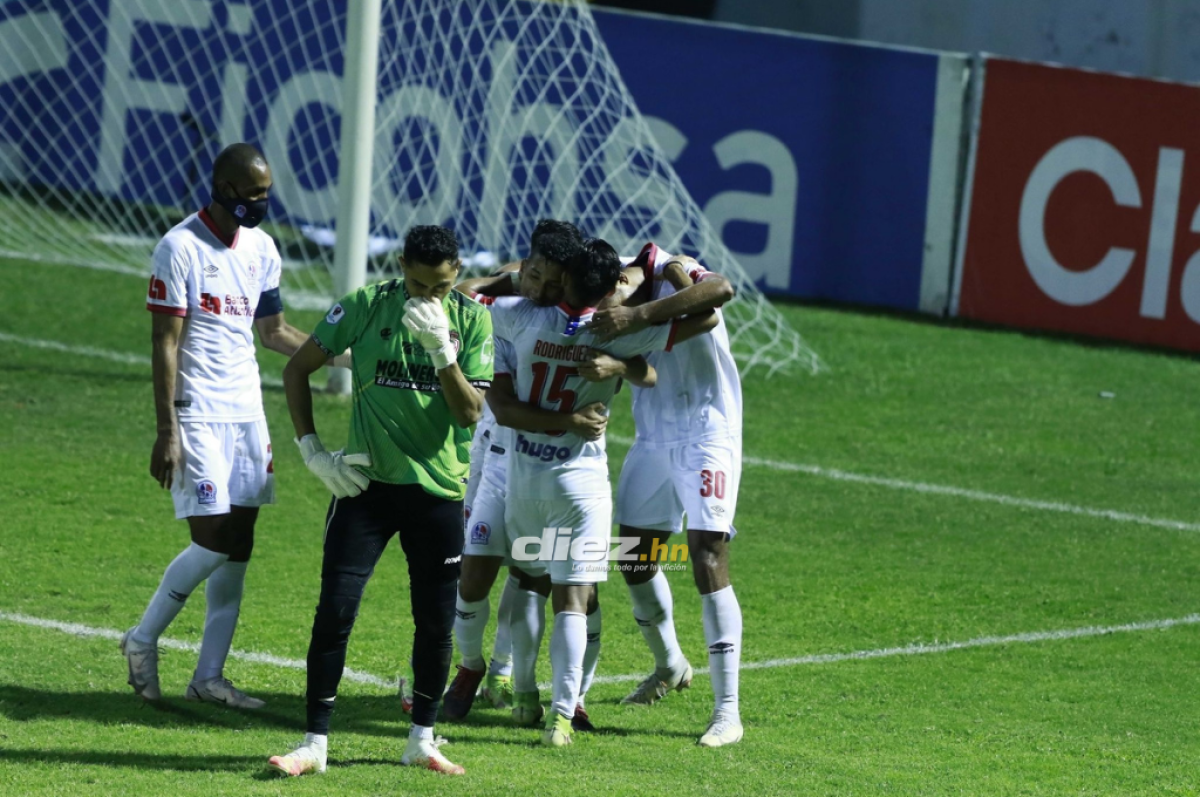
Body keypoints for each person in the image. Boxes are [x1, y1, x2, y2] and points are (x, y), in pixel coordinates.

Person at [267, 225, 492, 778]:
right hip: (364, 489)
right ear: (400, 267)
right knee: (335, 611)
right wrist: (313, 450)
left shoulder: (472, 320)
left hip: (438, 494)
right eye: (417, 284)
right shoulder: (365, 306)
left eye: (438, 287)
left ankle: (422, 739)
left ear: (456, 273)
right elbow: (297, 369)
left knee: (435, 623)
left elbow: (470, 414)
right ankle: (314, 745)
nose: (426, 297)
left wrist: (442, 352)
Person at [487, 238, 718, 747]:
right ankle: (562, 719)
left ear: (564, 280)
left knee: (528, 581)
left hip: (524, 475)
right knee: (574, 597)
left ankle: (524, 694)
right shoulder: (615, 333)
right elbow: (703, 323)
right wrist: (626, 355)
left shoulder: (519, 315)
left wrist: (516, 276)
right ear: (614, 285)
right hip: (580, 483)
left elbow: (467, 297)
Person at [122, 142, 322, 708]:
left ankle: (209, 677)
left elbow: (275, 332)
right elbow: (165, 342)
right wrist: (167, 430)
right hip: (198, 413)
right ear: (228, 189)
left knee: (238, 548)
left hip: (245, 413)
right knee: (211, 541)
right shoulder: (179, 247)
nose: (264, 203)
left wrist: (343, 354)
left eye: (267, 193)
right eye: (256, 194)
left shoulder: (260, 248)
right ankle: (141, 640)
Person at [440, 220, 653, 731]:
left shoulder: (542, 320)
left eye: (553, 282)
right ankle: (474, 669)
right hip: (496, 461)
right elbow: (468, 298)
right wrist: (512, 280)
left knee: (538, 580)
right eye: (535, 277)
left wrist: (616, 362)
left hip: (535, 469)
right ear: (526, 267)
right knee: (474, 577)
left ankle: (540, 692)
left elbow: (464, 298)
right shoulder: (519, 308)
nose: (543, 289)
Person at [589, 243, 745, 748]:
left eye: (613, 289)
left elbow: (718, 293)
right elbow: (639, 369)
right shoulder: (596, 308)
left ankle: (728, 713)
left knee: (706, 555)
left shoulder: (668, 267)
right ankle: (670, 666)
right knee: (634, 559)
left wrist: (638, 311)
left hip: (707, 436)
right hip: (654, 438)